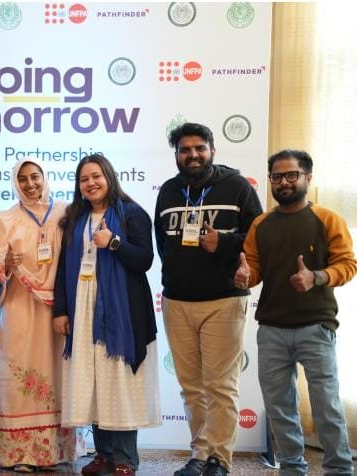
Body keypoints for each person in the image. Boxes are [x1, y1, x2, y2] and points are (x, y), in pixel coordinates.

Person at [234, 149, 355, 476]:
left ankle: (339, 469)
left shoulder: (327, 219)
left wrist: (316, 277)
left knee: (327, 407)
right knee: (279, 408)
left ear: (307, 178)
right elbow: (254, 269)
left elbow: (348, 264)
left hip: (316, 327)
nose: (284, 182)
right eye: (277, 176)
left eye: (291, 175)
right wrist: (245, 276)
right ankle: (291, 468)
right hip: (271, 329)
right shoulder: (261, 224)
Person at [154, 122, 263, 476]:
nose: (193, 155)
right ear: (176, 155)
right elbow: (163, 244)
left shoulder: (237, 187)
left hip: (224, 300)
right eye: (185, 150)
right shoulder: (169, 191)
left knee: (220, 386)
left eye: (199, 148)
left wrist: (226, 243)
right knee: (191, 387)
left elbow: (260, 236)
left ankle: (219, 458)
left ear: (213, 150)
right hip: (177, 302)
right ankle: (199, 454)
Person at [53, 154, 160, 476]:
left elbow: (144, 260)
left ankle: (125, 458)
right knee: (94, 381)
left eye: (96, 176)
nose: (91, 183)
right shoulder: (75, 219)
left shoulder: (132, 213)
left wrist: (113, 242)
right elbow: (62, 269)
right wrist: (61, 310)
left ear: (109, 177)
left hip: (122, 313)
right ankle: (103, 454)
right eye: (84, 179)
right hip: (83, 309)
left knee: (118, 380)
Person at [0, 158, 82, 472]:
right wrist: (6, 263)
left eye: (35, 177)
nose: (30, 184)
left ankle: (56, 452)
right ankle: (20, 454)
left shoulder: (66, 212)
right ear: (16, 183)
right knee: (17, 374)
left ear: (44, 177)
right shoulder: (5, 218)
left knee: (57, 372)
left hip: (58, 309)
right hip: (20, 307)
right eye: (23, 179)